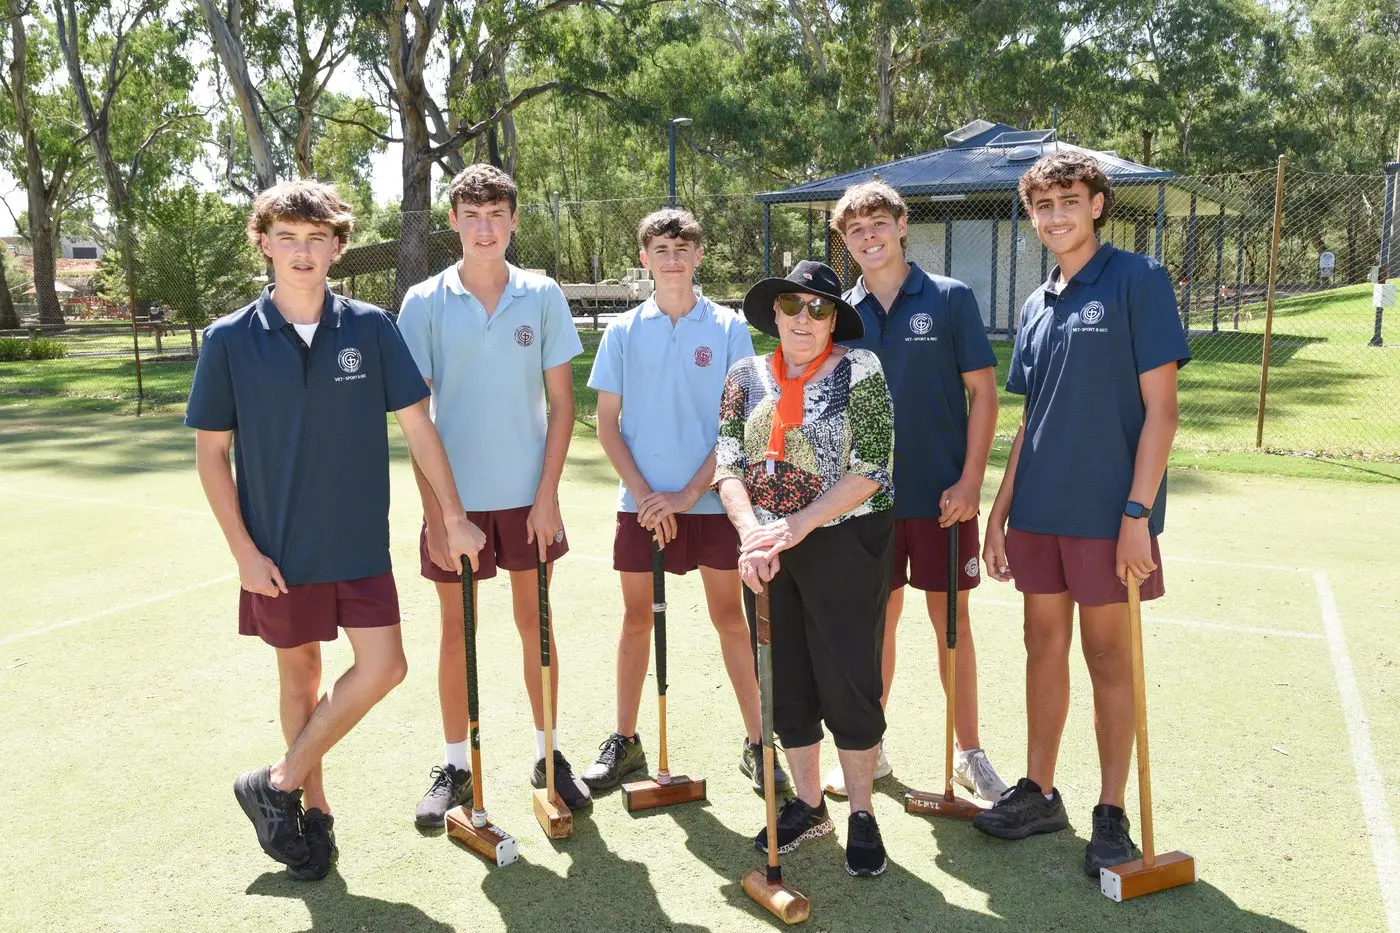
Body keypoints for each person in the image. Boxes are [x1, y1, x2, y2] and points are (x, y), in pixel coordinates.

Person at [187, 180, 485, 881]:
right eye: (287, 237)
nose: (301, 251)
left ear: (337, 248)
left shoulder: (371, 327)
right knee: (302, 678)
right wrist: (243, 553)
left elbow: (419, 425)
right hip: (279, 550)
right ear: (262, 242)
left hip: (358, 543)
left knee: (385, 666)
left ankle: (277, 780)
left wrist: (453, 513)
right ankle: (310, 817)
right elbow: (210, 454)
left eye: (316, 238)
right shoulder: (229, 339)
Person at [973, 151, 1191, 878]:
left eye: (1069, 200)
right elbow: (1030, 418)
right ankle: (1039, 789)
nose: (1056, 216)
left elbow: (1163, 411)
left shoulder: (1138, 280)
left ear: (1097, 203)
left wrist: (1138, 512)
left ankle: (1111, 809)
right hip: (1039, 510)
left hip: (1109, 514)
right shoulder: (1038, 303)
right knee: (1042, 645)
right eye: (1043, 206)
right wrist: (998, 510)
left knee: (1108, 656)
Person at [397, 164, 590, 827]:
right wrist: (436, 517)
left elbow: (563, 405)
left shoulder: (542, 295)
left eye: (496, 215)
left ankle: (549, 755)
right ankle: (455, 765)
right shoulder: (422, 302)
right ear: (453, 221)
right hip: (455, 501)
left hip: (527, 501)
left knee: (537, 627)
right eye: (471, 215)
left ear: (513, 220)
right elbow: (414, 416)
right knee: (457, 633)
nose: (484, 228)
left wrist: (547, 495)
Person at [579, 209, 789, 796]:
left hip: (716, 501)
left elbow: (739, 426)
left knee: (730, 618)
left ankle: (757, 742)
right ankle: (624, 741)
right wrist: (649, 497)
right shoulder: (622, 331)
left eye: (683, 248)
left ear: (698, 256)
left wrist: (687, 495)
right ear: (644, 259)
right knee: (635, 619)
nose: (673, 259)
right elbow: (607, 424)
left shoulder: (726, 329)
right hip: (641, 506)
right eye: (661, 249)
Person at [827, 180, 1009, 802]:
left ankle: (968, 752)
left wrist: (969, 481)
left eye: (878, 222)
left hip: (941, 500)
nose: (868, 236)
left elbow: (983, 394)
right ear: (843, 240)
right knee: (875, 627)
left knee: (950, 623)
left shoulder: (951, 299)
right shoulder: (838, 315)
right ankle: (868, 748)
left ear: (903, 224)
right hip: (864, 504)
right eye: (855, 229)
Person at [715, 260, 896, 878]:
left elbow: (873, 467)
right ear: (774, 313)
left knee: (848, 680)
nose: (803, 318)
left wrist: (797, 525)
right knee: (785, 680)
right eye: (793, 306)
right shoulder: (744, 375)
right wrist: (752, 537)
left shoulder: (860, 370)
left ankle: (863, 815)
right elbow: (727, 462)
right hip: (767, 548)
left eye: (819, 309)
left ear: (832, 321)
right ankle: (809, 805)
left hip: (843, 540)